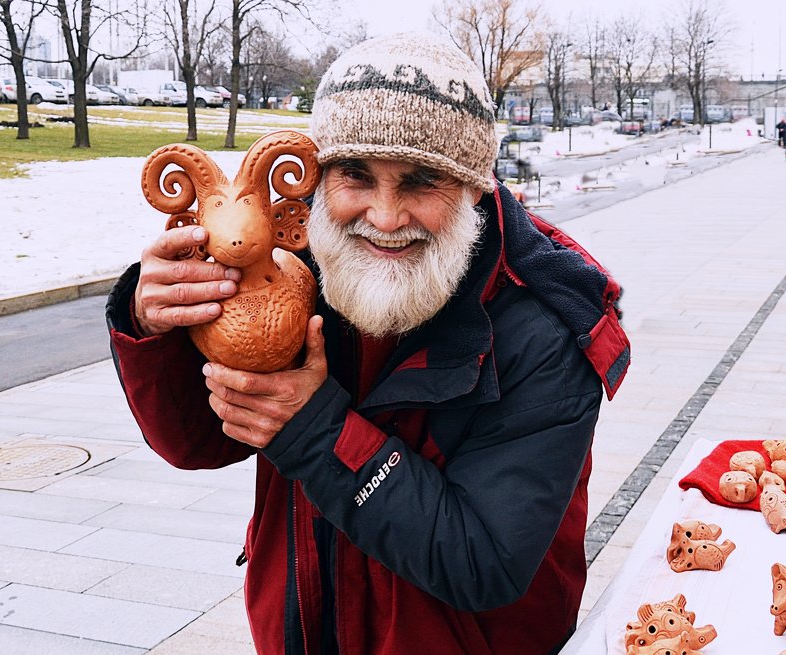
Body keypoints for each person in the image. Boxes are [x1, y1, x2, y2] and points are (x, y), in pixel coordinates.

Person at [105, 32, 631, 655]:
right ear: (318, 179)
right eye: (356, 174)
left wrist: (315, 432)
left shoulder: (542, 322)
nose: (384, 218)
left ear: (473, 189)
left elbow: (485, 560)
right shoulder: (294, 270)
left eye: (421, 181)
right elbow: (197, 443)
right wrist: (156, 324)